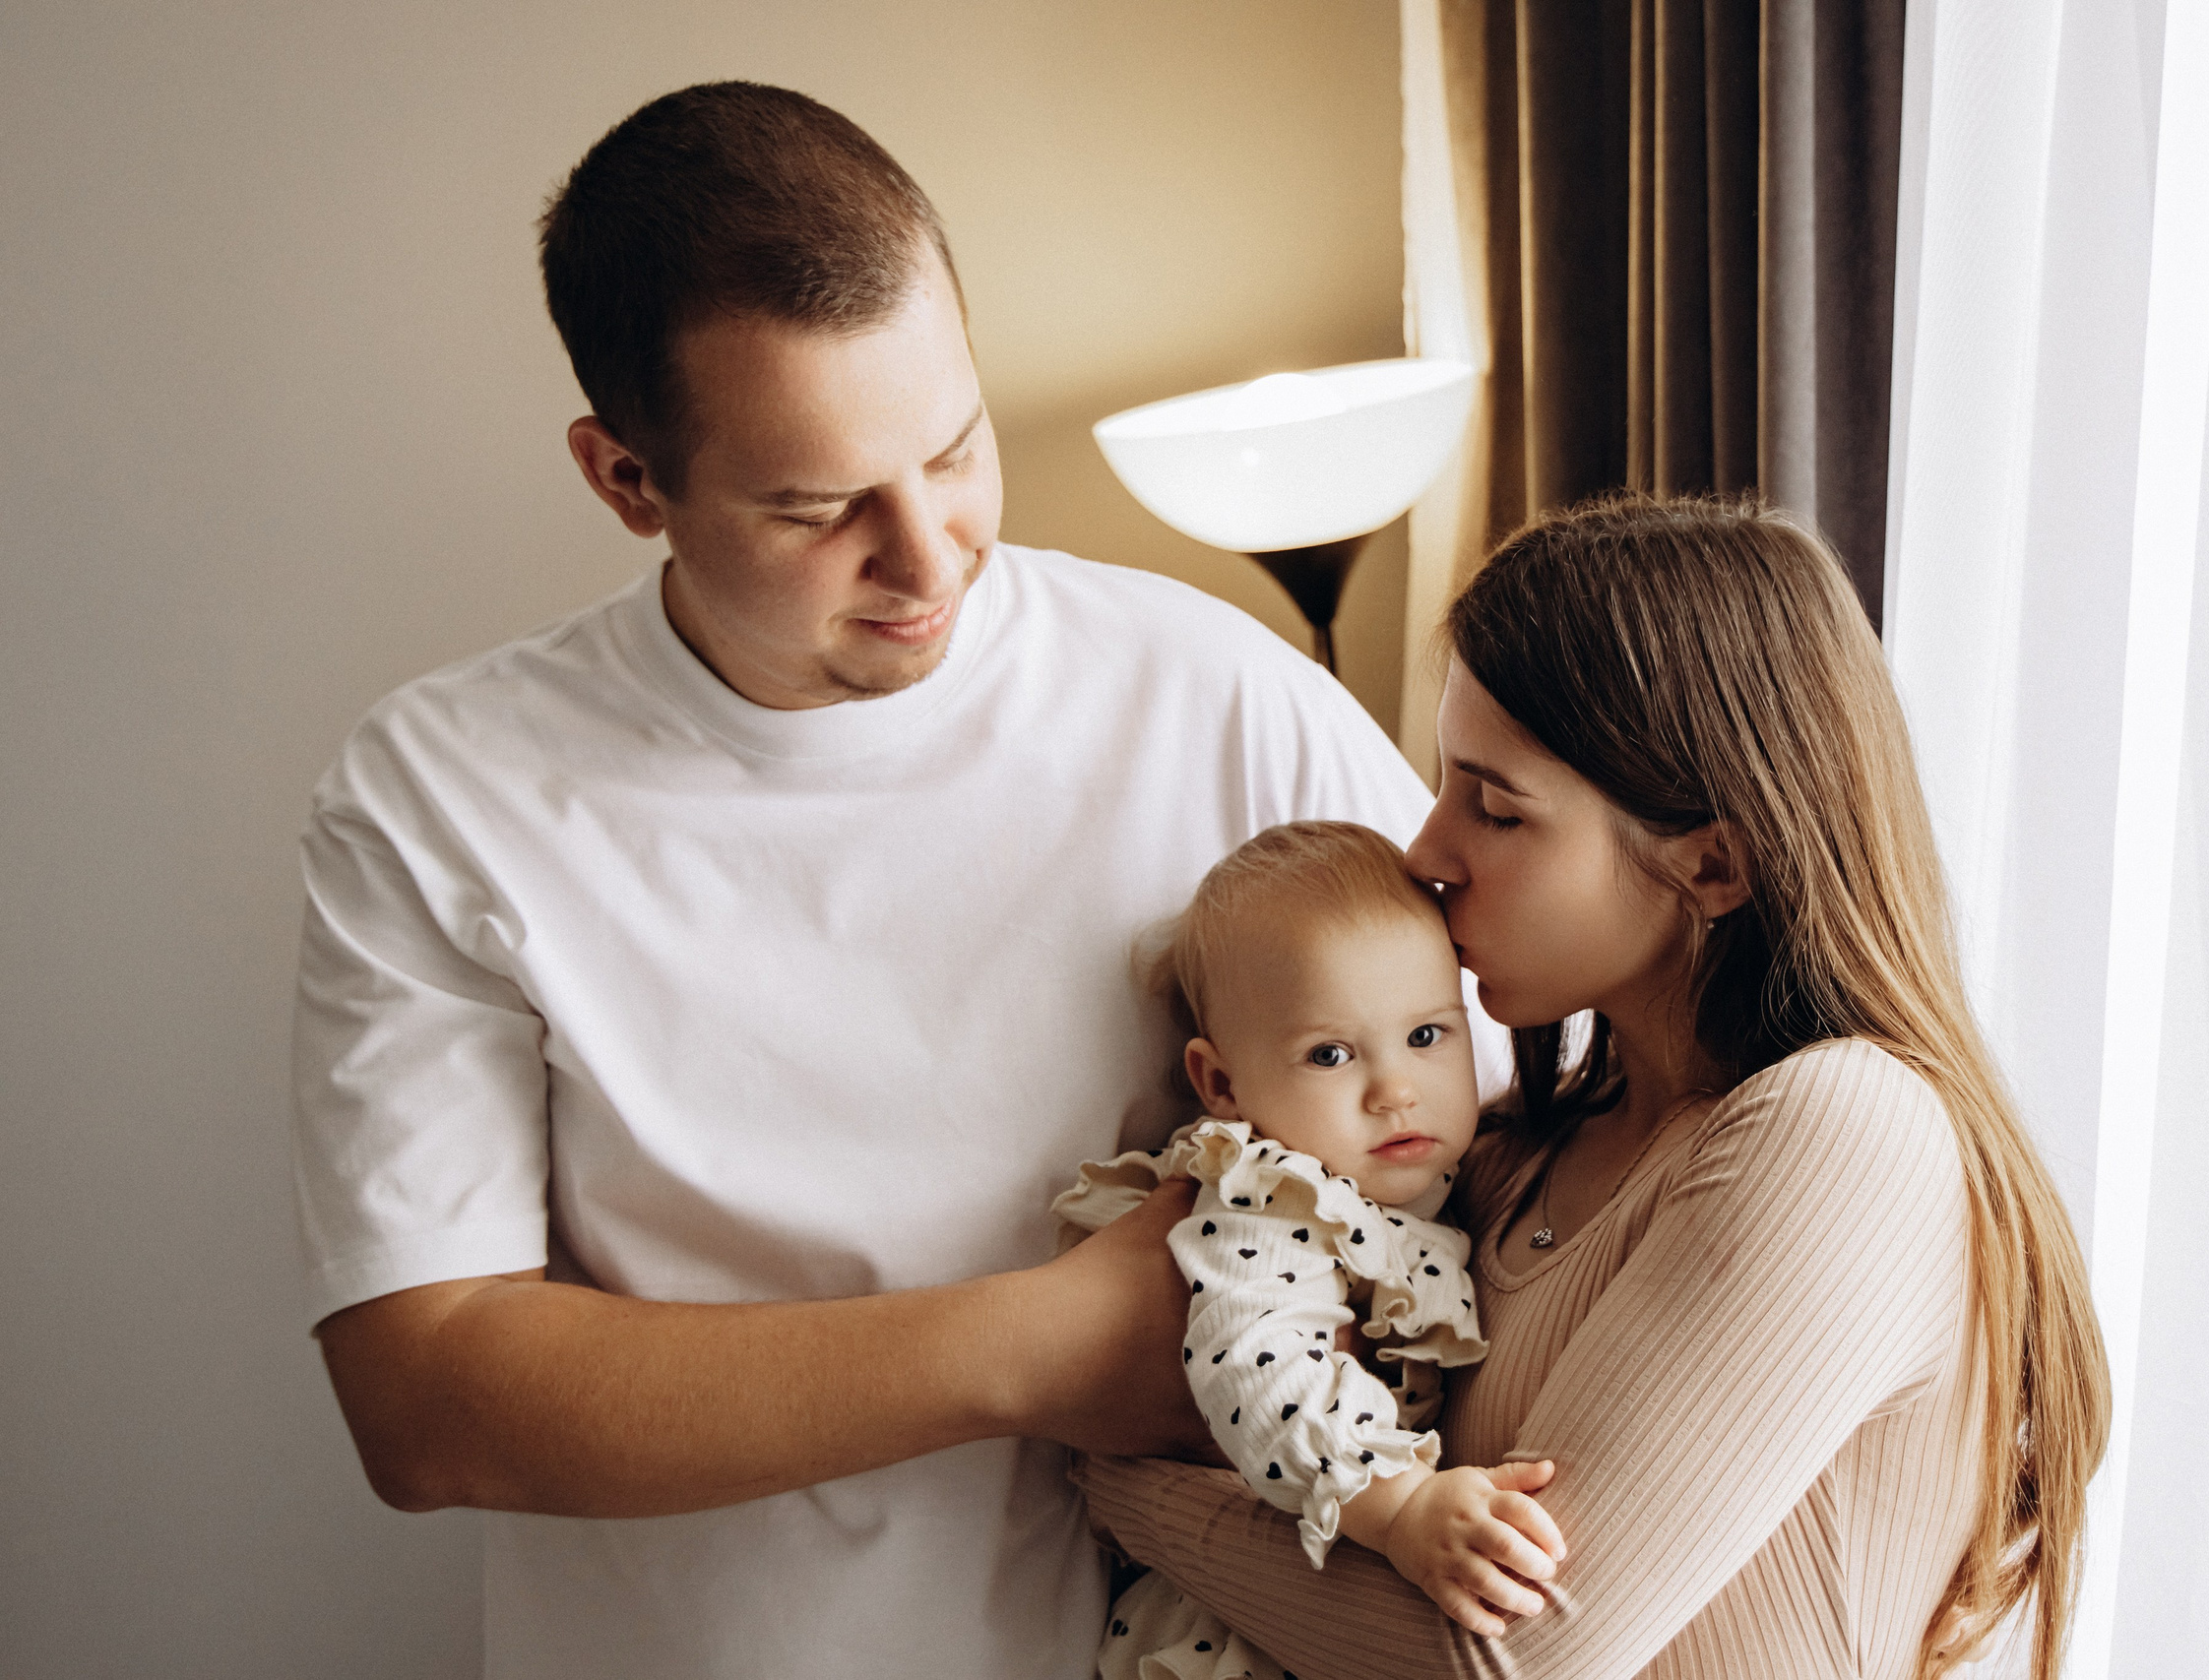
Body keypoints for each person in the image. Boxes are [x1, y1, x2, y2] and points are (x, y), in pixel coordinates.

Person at [291, 82, 1474, 1680]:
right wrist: (1032, 1346)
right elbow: (426, 1396)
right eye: (818, 506)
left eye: (955, 449)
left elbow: (1521, 1105)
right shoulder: (441, 794)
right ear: (627, 479)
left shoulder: (1219, 694)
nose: (929, 557)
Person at [1079, 493, 2113, 1680]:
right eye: (1443, 784)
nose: (1425, 851)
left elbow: (1502, 1660)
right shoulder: (1506, 1154)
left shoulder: (1842, 1131)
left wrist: (1125, 1486)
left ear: (1712, 862)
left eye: (1495, 805)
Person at [1050, 822, 1563, 1679]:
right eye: (1330, 1053)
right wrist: (1398, 1508)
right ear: (1221, 1083)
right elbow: (1252, 1359)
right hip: (1229, 1628)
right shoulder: (1269, 1196)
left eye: (1429, 1035)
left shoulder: (1456, 1177)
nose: (1395, 1088)